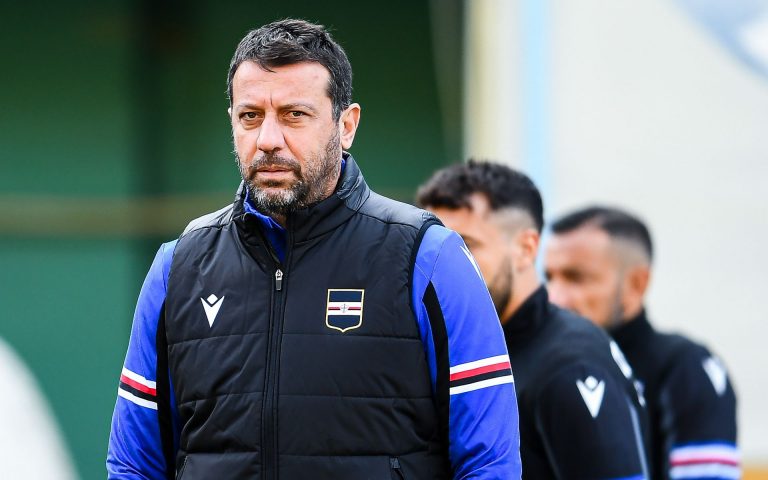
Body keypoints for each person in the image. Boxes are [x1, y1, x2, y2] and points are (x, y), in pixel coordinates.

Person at [107, 19, 521, 479]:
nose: (268, 140)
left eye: (294, 115)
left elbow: (490, 462)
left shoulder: (429, 256)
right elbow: (133, 464)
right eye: (250, 116)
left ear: (346, 126)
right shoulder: (178, 265)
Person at [416, 160, 649, 479]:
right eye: (433, 249)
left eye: (465, 246)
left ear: (525, 249)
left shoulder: (572, 362)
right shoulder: (445, 347)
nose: (445, 265)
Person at [545, 206, 739, 480]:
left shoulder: (686, 366)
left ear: (636, 283)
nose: (554, 297)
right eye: (549, 277)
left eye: (576, 278)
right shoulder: (541, 367)